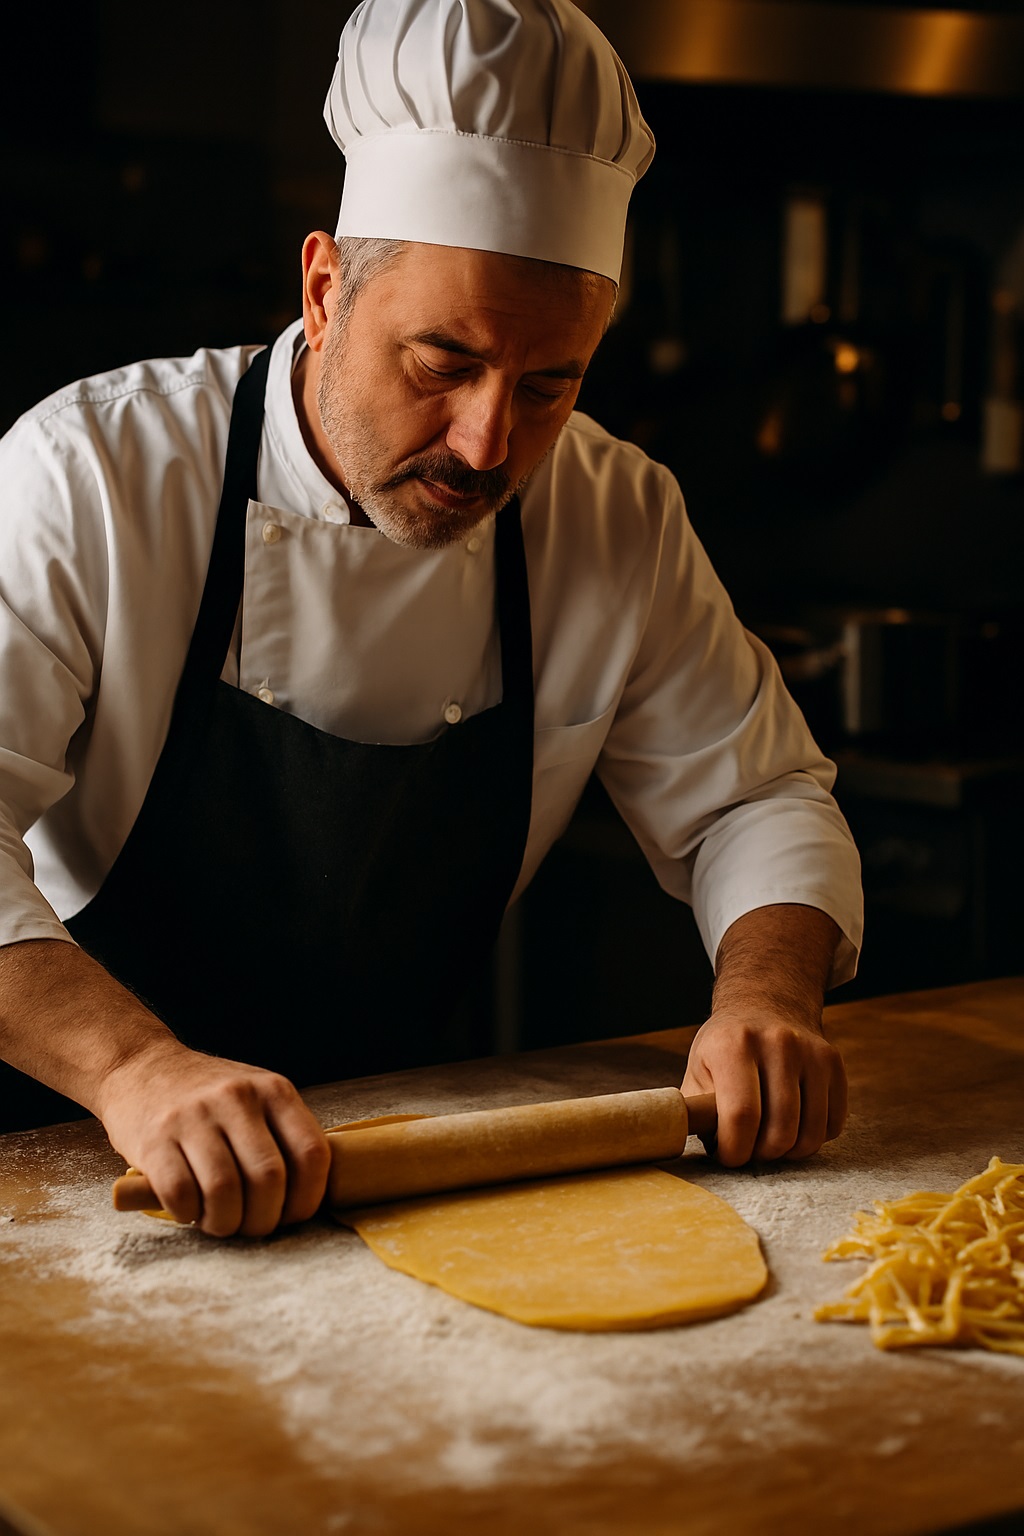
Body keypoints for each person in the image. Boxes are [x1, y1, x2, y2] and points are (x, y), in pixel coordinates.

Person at [0, 0, 862, 1236]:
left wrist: (767, 1001)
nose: (487, 442)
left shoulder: (614, 512)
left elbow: (753, 798)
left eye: (550, 385)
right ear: (324, 286)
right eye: (443, 362)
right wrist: (135, 1070)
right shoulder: (92, 474)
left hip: (401, 1168)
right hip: (79, 1166)